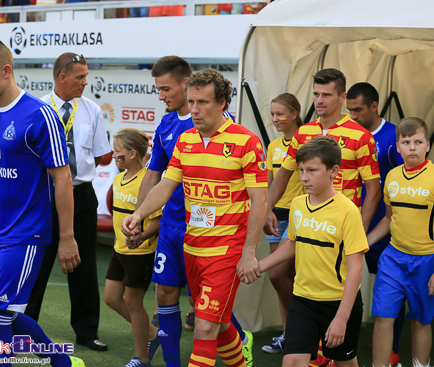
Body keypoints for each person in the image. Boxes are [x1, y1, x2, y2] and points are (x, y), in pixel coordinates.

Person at [0, 37, 83, 367]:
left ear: (6, 71)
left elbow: (62, 179)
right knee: (4, 311)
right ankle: (60, 362)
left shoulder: (40, 115)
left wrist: (67, 238)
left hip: (26, 234)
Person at [123, 68, 267, 367]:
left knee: (203, 327)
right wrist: (139, 214)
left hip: (226, 252)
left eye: (202, 102)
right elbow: (165, 184)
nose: (194, 109)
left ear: (222, 102)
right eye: (191, 102)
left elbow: (259, 200)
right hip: (192, 248)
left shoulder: (247, 142)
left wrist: (249, 252)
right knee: (222, 324)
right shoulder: (186, 140)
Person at [240, 135, 368, 367]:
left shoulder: (348, 211)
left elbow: (356, 267)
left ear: (334, 171)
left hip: (338, 303)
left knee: (345, 364)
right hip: (303, 300)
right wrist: (259, 266)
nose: (304, 177)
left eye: (312, 170)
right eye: (301, 170)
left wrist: (341, 318)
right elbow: (292, 243)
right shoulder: (298, 204)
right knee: (291, 363)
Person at [25, 52, 111, 352]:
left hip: (80, 196)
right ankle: (24, 331)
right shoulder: (35, 109)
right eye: (80, 77)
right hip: (42, 197)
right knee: (35, 266)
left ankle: (87, 332)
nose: (86, 82)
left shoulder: (92, 110)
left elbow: (100, 156)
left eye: (86, 76)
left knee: (84, 266)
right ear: (62, 76)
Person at [367, 117, 434, 367]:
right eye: (406, 142)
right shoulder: (393, 176)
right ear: (397, 147)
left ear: (427, 145)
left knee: (420, 320)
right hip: (394, 257)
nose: (412, 147)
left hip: (428, 261)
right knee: (383, 317)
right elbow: (388, 219)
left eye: (418, 142)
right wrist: (366, 241)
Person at [265, 68, 381, 237]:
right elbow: (282, 175)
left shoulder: (361, 136)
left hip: (341, 225)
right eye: (316, 94)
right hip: (307, 220)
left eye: (326, 95)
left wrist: (359, 231)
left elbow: (373, 189)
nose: (319, 100)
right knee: (283, 263)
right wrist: (267, 208)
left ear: (342, 97)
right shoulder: (303, 132)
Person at [345, 82, 404, 366]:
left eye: (358, 110)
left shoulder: (393, 137)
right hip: (349, 225)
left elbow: (408, 180)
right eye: (349, 110)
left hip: (384, 229)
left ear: (374, 106)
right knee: (344, 285)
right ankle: (338, 344)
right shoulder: (345, 135)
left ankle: (391, 346)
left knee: (390, 287)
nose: (353, 116)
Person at [103, 128, 161, 367]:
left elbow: (157, 221)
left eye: (117, 152)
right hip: (119, 250)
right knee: (111, 298)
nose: (114, 155)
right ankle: (152, 333)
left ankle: (141, 358)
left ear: (133, 154)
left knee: (133, 304)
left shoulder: (147, 183)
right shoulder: (118, 179)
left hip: (140, 254)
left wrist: (141, 237)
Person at [261, 93, 304, 354]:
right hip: (276, 215)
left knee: (283, 275)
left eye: (281, 114)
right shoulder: (274, 145)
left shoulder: (307, 140)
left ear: (295, 114)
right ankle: (290, 335)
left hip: (300, 217)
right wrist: (267, 210)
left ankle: (300, 331)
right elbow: (269, 182)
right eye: (273, 114)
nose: (276, 119)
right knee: (279, 279)